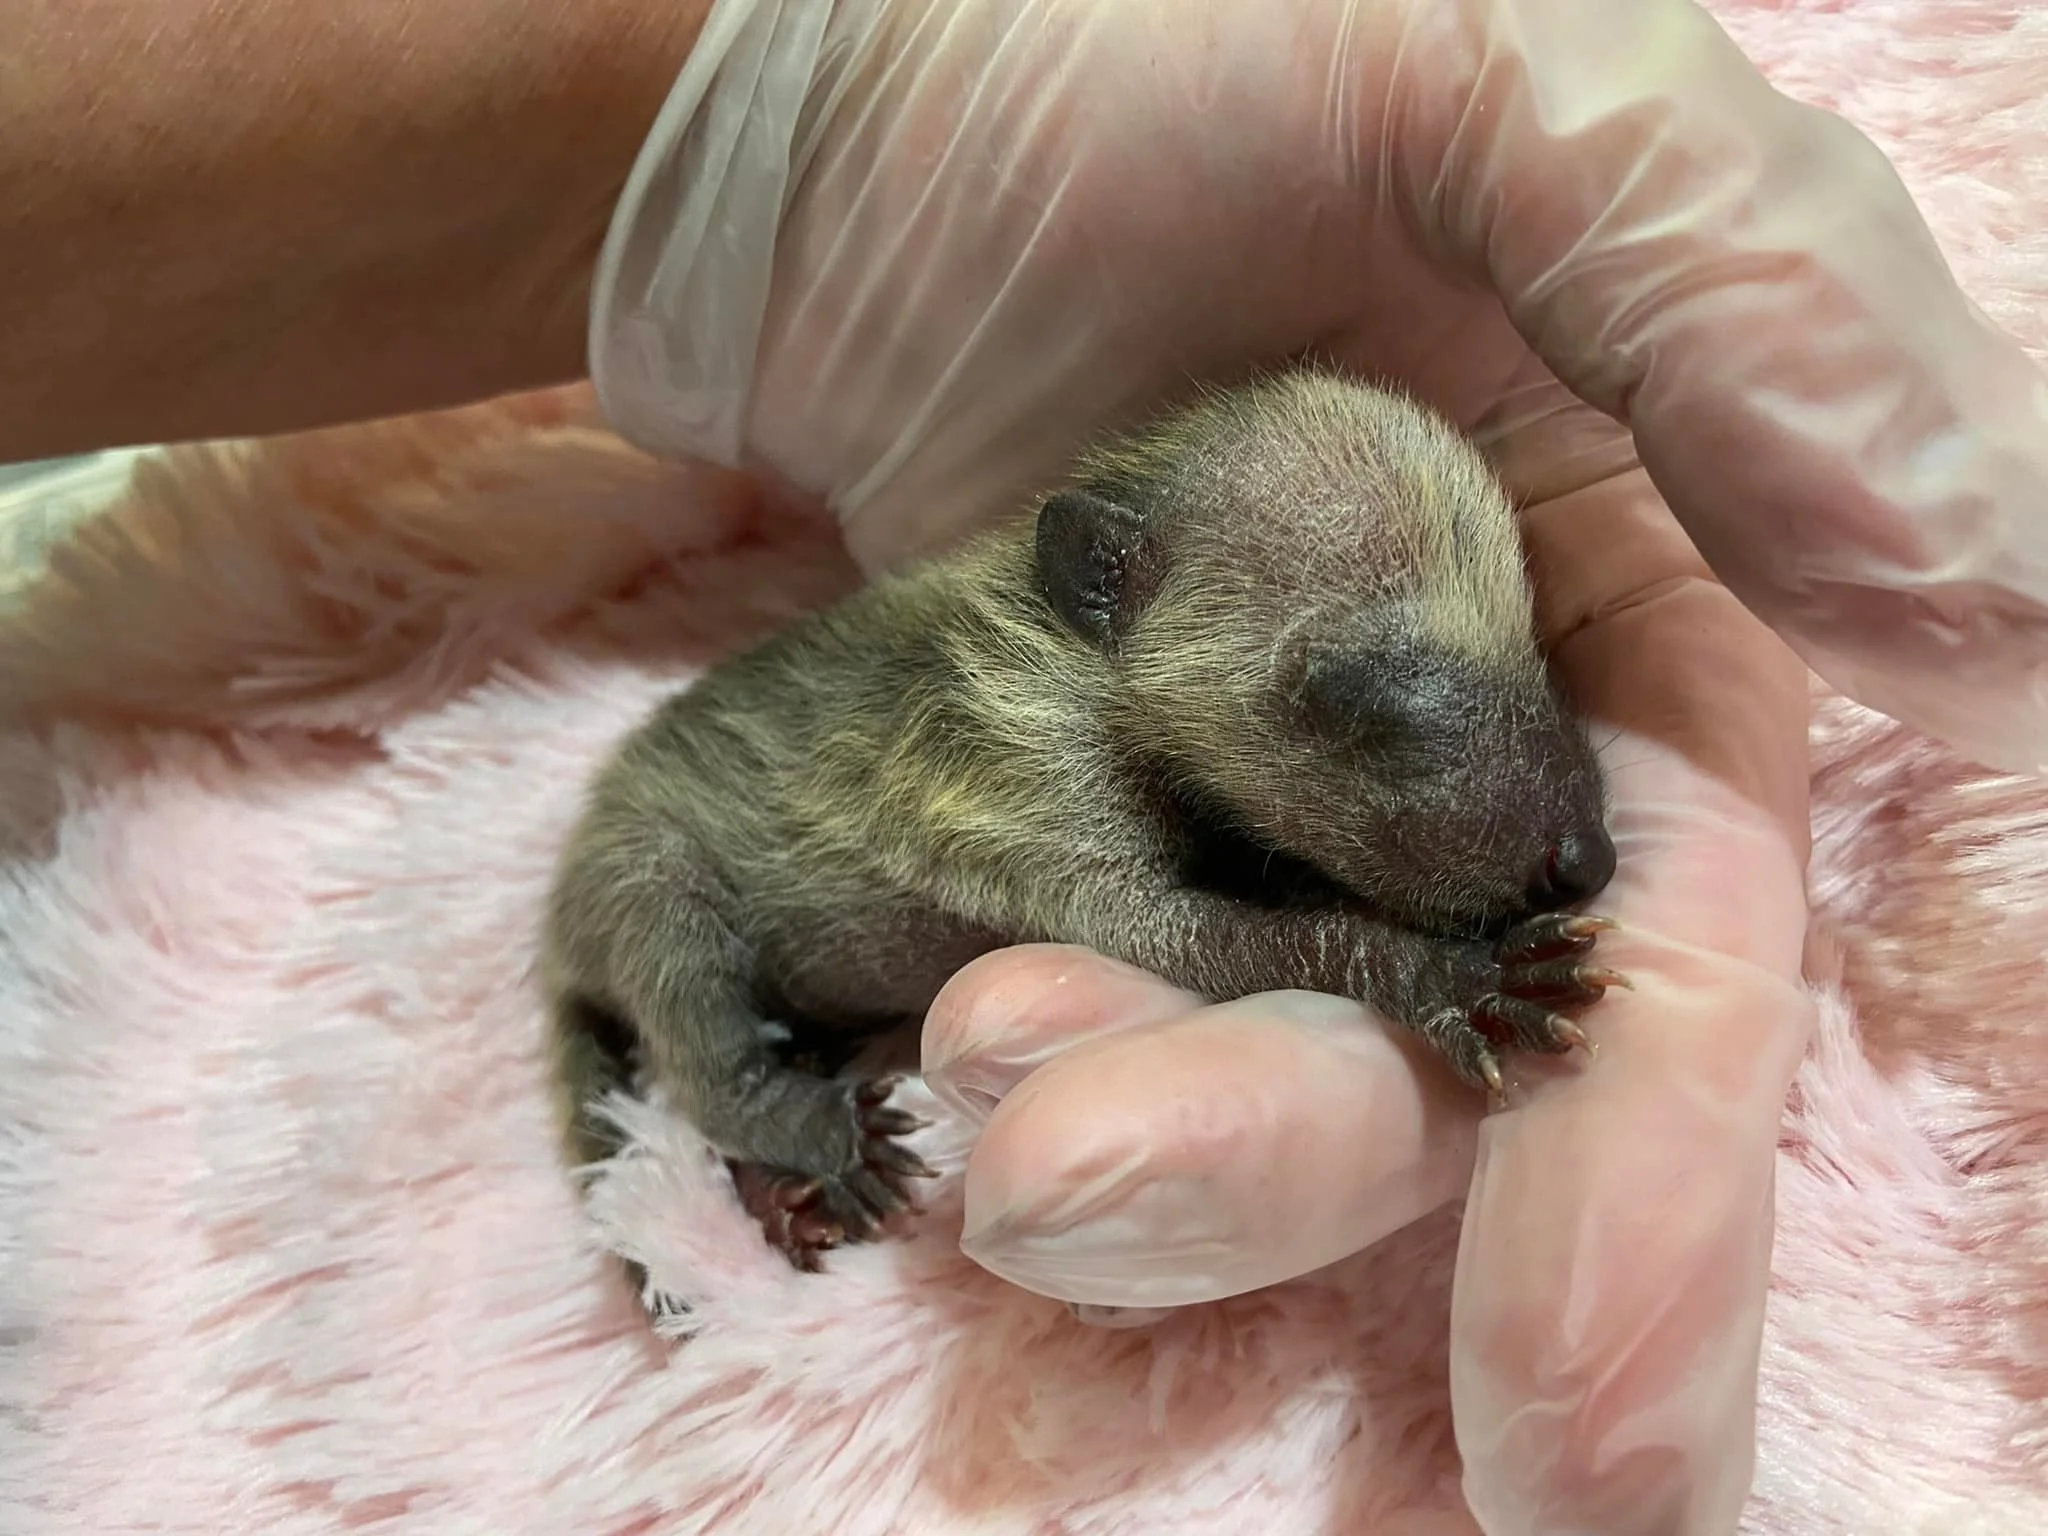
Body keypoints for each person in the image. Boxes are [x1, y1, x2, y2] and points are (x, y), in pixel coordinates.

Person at [9, 1, 2046, 1530]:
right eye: (1377, 708)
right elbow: (1135, 915)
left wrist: (744, 90)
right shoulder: (1030, 743)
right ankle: (713, 1094)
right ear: (1110, 597)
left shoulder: (1201, 638)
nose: (1549, 810)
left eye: (1501, 654)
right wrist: (1414, 973)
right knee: (661, 945)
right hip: (697, 863)